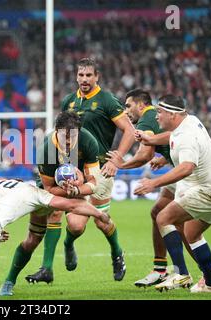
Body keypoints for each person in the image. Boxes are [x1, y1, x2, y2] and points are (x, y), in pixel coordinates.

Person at [26, 57, 135, 284]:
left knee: (101, 221)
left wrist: (116, 160)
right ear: (76, 76)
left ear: (97, 77)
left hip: (100, 168)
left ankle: (116, 252)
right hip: (74, 168)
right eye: (81, 75)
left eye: (89, 75)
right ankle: (60, 254)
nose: (84, 79)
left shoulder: (106, 101)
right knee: (71, 222)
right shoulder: (69, 101)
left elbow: (130, 131)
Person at [106, 89, 211, 288]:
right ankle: (165, 269)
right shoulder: (176, 119)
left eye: (128, 105)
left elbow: (144, 155)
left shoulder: (146, 118)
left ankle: (193, 273)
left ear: (141, 105)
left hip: (189, 175)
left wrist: (121, 164)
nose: (125, 111)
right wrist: (165, 157)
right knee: (161, 213)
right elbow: (172, 136)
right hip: (184, 169)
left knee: (173, 221)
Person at [0, 111, 110, 296]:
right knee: (33, 239)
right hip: (47, 192)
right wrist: (69, 189)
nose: (68, 141)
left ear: (79, 133)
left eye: (72, 136)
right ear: (56, 131)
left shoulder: (88, 141)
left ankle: (65, 247)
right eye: (64, 136)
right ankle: (9, 280)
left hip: (77, 189)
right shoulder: (46, 149)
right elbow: (49, 189)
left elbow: (94, 182)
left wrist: (78, 188)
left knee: (76, 227)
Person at [134, 94, 211, 293]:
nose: (156, 116)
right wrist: (152, 140)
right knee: (192, 234)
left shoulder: (186, 136)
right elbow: (172, 139)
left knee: (163, 217)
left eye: (160, 112)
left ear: (172, 114)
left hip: (208, 190)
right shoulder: (189, 122)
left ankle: (180, 274)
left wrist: (154, 182)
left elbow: (187, 167)